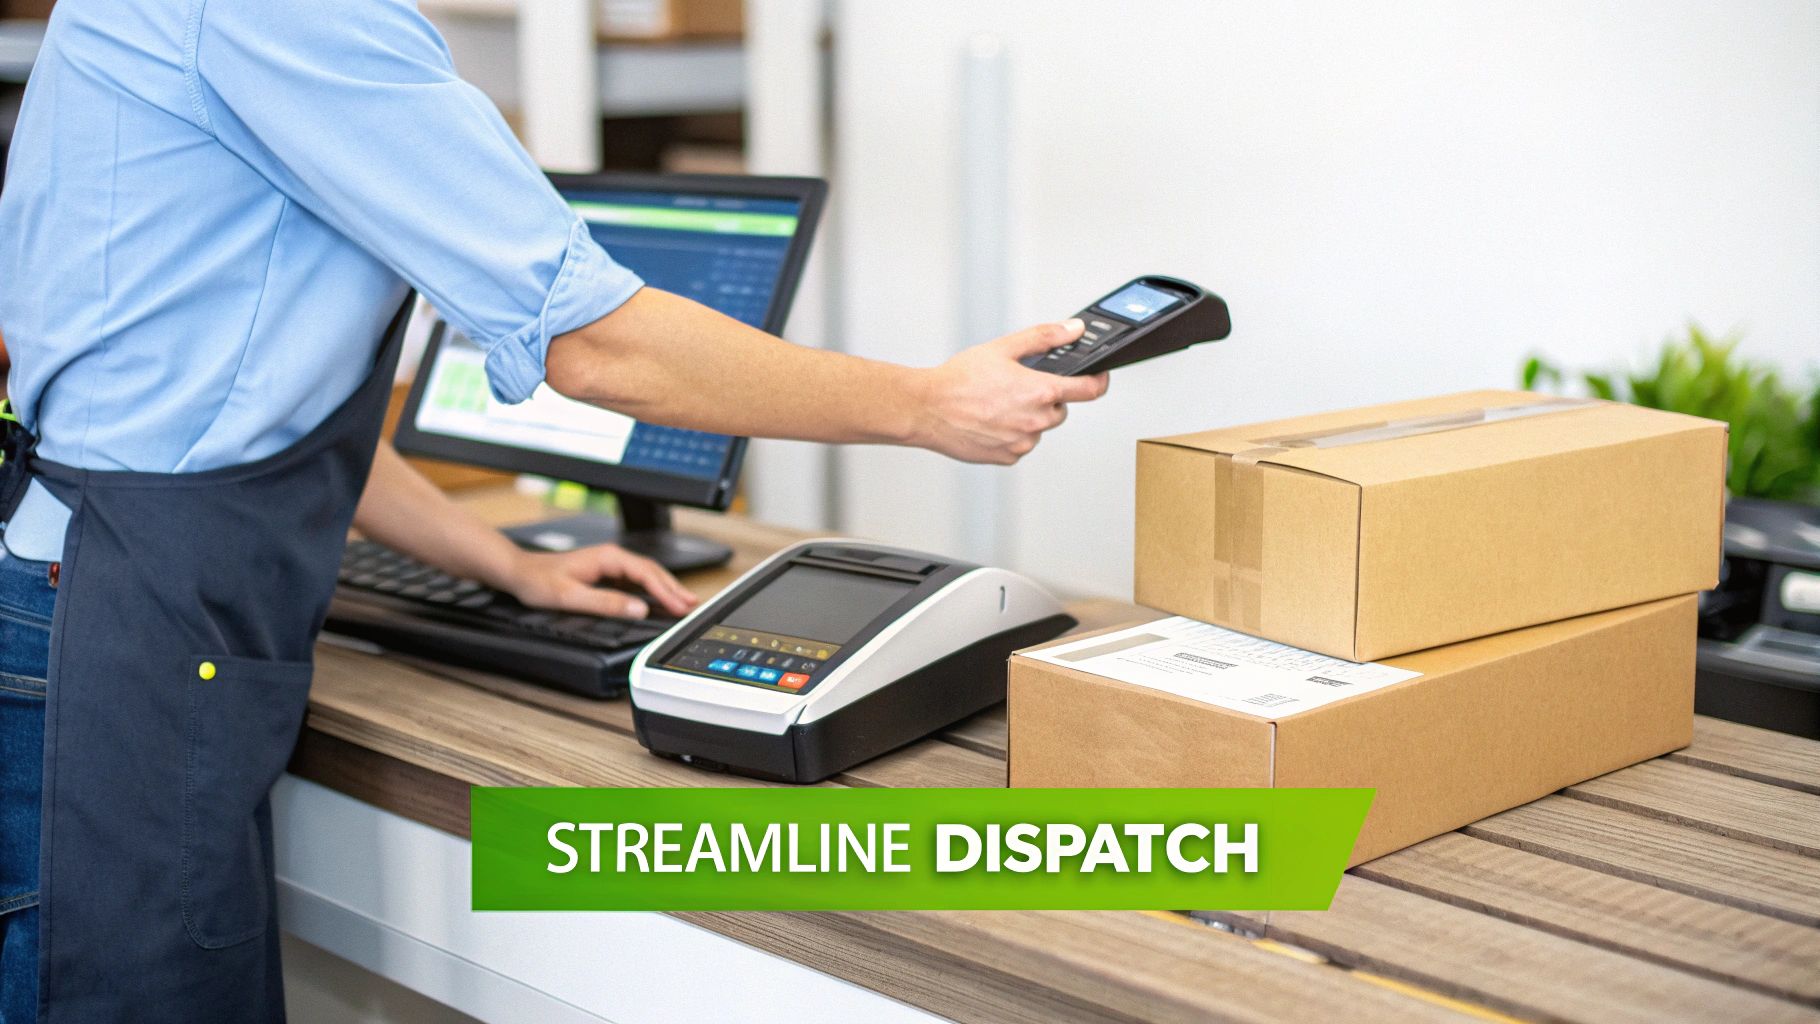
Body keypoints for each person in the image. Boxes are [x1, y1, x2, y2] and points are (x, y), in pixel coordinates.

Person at [0, 1, 1106, 1021]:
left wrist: (505, 561)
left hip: (113, 588)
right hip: (122, 627)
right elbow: (598, 346)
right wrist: (924, 404)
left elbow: (228, 392)